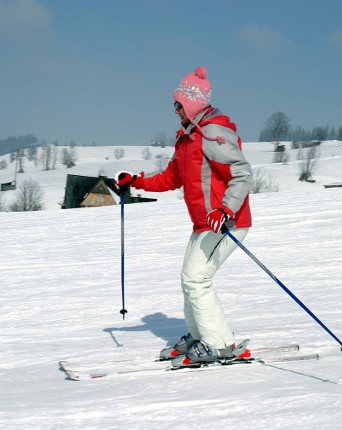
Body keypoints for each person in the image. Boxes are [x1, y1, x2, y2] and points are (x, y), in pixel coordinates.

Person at [115, 66, 252, 367]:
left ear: (191, 103)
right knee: (188, 279)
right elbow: (170, 178)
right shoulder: (188, 137)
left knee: (196, 279)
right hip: (205, 223)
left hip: (225, 222)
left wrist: (225, 208)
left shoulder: (213, 133)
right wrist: (135, 181)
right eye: (174, 104)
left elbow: (242, 173)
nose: (174, 109)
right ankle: (200, 336)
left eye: (178, 104)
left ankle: (219, 344)